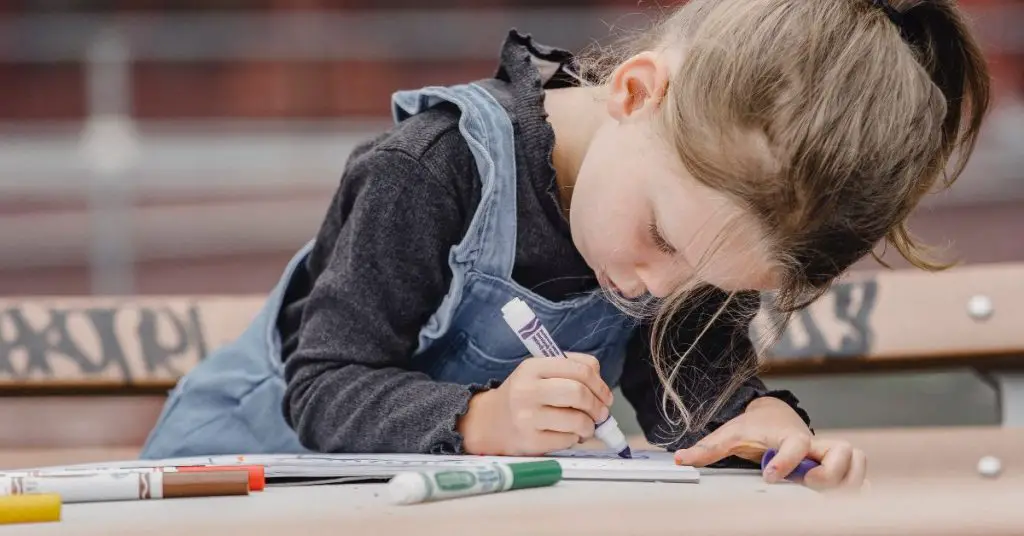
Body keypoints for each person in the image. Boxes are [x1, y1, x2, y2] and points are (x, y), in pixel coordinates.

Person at [140, 0, 990, 492]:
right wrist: (480, 420)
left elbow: (681, 374)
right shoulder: (431, 170)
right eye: (659, 238)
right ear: (634, 90)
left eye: (708, 281)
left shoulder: (699, 222)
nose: (652, 288)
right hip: (237, 476)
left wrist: (750, 421)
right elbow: (324, 384)